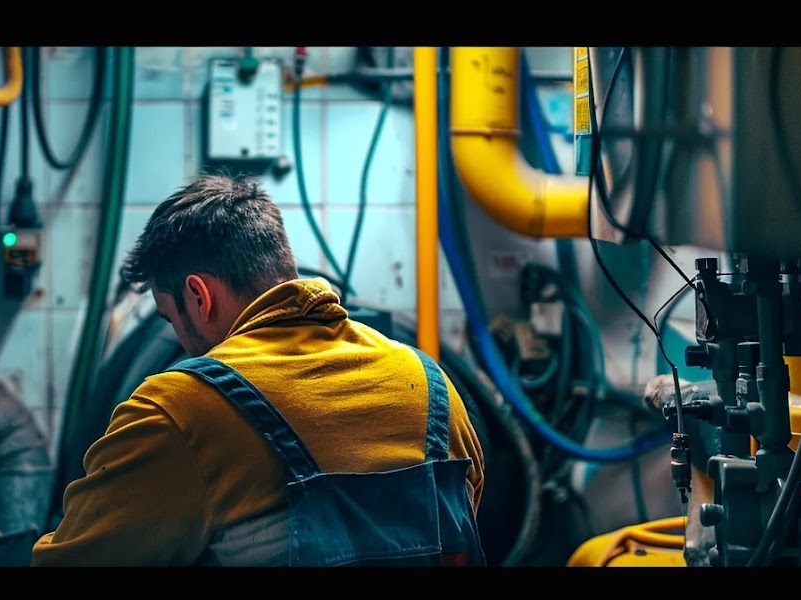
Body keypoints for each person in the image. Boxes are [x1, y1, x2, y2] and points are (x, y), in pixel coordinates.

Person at [31, 174, 487, 567]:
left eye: (171, 320)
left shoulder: (179, 412)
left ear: (198, 296)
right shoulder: (431, 386)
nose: (180, 340)